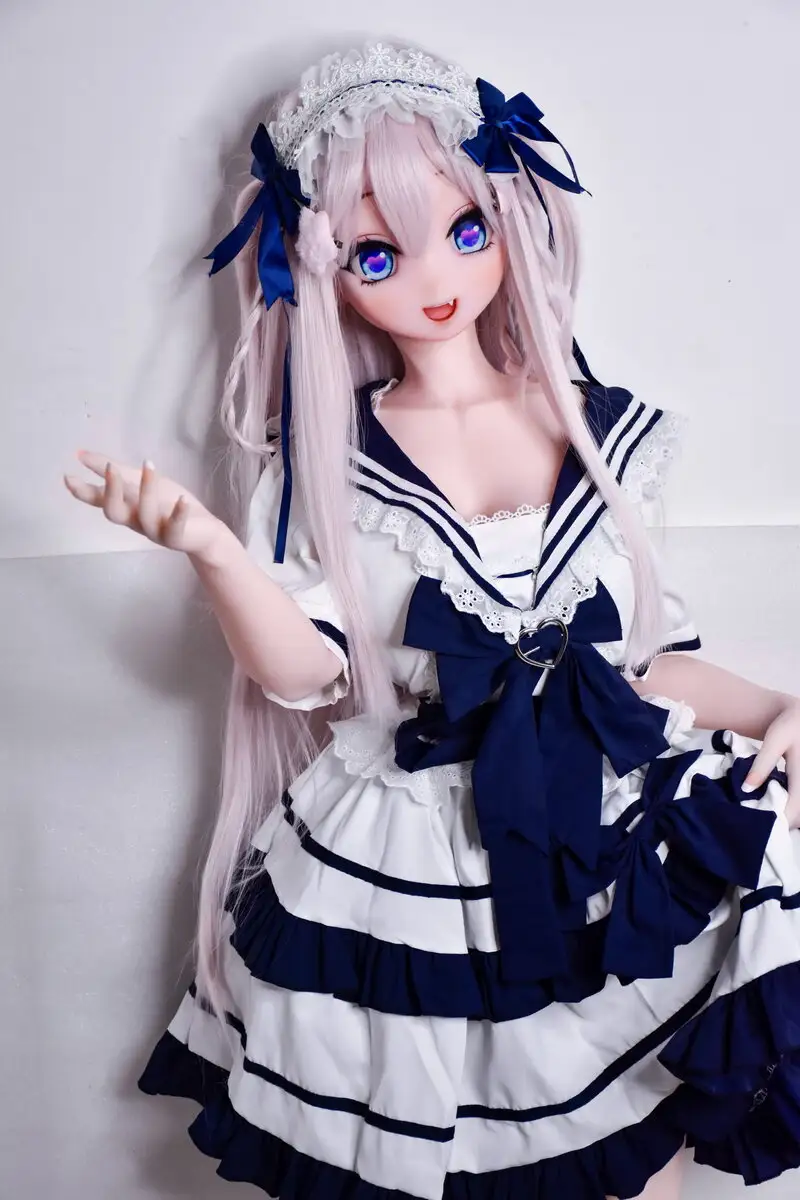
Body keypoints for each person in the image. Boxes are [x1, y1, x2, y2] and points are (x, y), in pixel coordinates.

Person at [64, 39, 800, 1200]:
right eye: (377, 253)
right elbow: (301, 671)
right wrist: (212, 551)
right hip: (413, 843)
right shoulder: (328, 465)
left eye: (464, 230)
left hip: (595, 818)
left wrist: (772, 708)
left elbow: (640, 665)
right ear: (320, 267)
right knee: (431, 1136)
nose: (432, 278)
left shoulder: (603, 431)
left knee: (627, 1130)